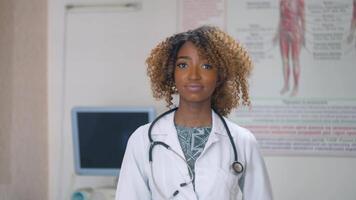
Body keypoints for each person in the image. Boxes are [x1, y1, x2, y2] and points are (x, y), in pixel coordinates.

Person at [115, 26, 273, 200]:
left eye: (206, 65)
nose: (193, 75)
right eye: (183, 65)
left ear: (219, 75)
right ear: (171, 73)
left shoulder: (242, 141)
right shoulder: (142, 139)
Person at [274, 0, 305, 96]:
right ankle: (286, 84)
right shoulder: (281, 1)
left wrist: (303, 35)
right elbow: (281, 17)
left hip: (295, 32)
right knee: (285, 61)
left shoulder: (300, 1)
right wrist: (276, 34)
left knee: (295, 60)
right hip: (283, 32)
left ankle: (296, 86)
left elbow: (303, 18)